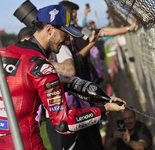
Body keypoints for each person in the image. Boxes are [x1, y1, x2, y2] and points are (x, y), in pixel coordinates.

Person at [0, 4, 126, 150]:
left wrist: (60, 84)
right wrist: (105, 109)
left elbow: (22, 88)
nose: (67, 39)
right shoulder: (43, 68)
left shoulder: (6, 53)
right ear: (49, 29)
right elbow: (64, 123)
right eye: (65, 33)